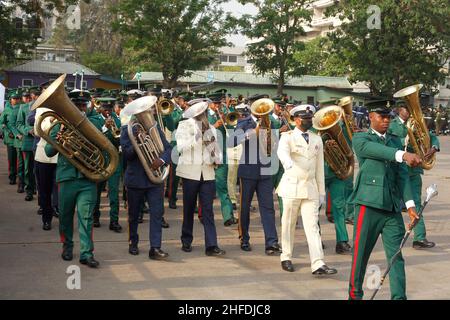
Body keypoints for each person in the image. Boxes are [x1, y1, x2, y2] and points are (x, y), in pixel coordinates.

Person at [348, 99, 421, 300]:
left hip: (391, 208)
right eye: (382, 116)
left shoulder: (396, 140)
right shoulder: (361, 139)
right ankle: (355, 296)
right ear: (370, 117)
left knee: (396, 257)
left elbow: (402, 176)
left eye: (388, 117)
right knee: (360, 256)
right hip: (368, 205)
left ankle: (399, 297)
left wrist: (410, 205)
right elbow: (376, 152)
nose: (386, 121)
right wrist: (403, 154)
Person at [277, 104, 337, 275]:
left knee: (313, 227)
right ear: (297, 120)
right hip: (292, 186)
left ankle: (318, 263)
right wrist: (287, 163)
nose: (310, 121)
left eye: (310, 118)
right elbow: (282, 152)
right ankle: (286, 256)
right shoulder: (287, 137)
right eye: (306, 119)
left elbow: (319, 168)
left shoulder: (316, 139)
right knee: (288, 224)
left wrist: (322, 192)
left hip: (310, 188)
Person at [45, 91, 102, 268]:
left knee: (86, 217)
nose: (80, 109)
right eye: (76, 105)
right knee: (65, 215)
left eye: (83, 105)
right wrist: (59, 135)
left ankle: (86, 253)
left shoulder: (95, 123)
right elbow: (48, 151)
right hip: (67, 176)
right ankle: (67, 246)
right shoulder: (59, 124)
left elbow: (103, 146)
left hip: (87, 177)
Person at [121, 96, 172, 258]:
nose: (148, 113)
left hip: (155, 180)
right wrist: (136, 141)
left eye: (148, 110)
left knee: (157, 213)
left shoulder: (154, 128)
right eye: (143, 112)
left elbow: (169, 149)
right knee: (133, 215)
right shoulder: (127, 129)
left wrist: (162, 159)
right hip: (135, 179)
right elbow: (127, 155)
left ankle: (155, 248)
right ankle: (133, 242)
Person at [175, 100, 226, 256]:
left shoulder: (210, 127)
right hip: (190, 172)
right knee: (189, 208)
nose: (201, 113)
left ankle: (211, 245)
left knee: (208, 211)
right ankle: (186, 240)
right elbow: (180, 148)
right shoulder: (184, 126)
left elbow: (216, 150)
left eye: (203, 109)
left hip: (208, 173)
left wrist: (218, 158)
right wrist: (196, 137)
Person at [232, 94, 281, 255]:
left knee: (268, 208)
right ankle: (244, 239)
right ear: (253, 106)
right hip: (248, 171)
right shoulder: (243, 122)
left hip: (266, 170)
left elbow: (274, 145)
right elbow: (232, 141)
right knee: (245, 207)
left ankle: (271, 242)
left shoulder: (271, 122)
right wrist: (249, 133)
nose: (262, 110)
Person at [388, 100, 440, 249]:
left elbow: (430, 136)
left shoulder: (415, 123)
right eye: (405, 108)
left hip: (414, 170)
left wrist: (434, 147)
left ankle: (419, 238)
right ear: (399, 109)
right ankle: (393, 236)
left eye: (409, 108)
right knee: (393, 204)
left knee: (416, 202)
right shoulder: (391, 125)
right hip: (397, 169)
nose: (408, 111)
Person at [206, 93, 238, 226]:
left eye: (219, 104)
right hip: (207, 156)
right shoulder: (204, 115)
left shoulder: (224, 115)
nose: (217, 106)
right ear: (209, 104)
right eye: (215, 104)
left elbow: (232, 129)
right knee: (205, 188)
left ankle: (228, 216)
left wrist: (227, 121)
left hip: (221, 156)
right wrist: (214, 125)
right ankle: (204, 214)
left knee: (222, 186)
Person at [16, 89, 36, 201]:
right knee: (28, 167)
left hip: (41, 142)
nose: (35, 97)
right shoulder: (23, 108)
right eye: (35, 95)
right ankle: (29, 190)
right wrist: (28, 130)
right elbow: (19, 124)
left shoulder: (44, 107)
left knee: (38, 169)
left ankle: (36, 189)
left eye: (38, 95)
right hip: (28, 142)